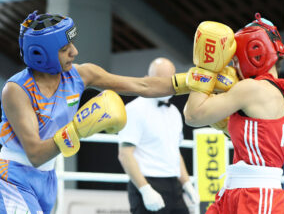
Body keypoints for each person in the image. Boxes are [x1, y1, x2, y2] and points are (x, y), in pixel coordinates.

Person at [0, 11, 179, 214]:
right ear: (42, 54)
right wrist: (78, 128)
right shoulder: (16, 90)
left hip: (48, 176)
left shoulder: (80, 74)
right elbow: (36, 154)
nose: (74, 52)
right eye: (65, 49)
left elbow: (143, 85)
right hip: (13, 176)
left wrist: (189, 82)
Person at [183, 13, 284, 214]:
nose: (234, 68)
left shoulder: (252, 89)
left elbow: (193, 116)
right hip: (236, 191)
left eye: (235, 60)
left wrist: (206, 68)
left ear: (255, 52)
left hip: (257, 197)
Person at [118, 57, 199, 214]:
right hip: (148, 182)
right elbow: (125, 154)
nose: (166, 84)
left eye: (170, 79)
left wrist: (187, 184)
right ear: (148, 79)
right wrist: (145, 189)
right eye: (161, 79)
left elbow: (175, 152)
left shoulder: (175, 112)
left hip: (174, 185)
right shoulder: (134, 109)